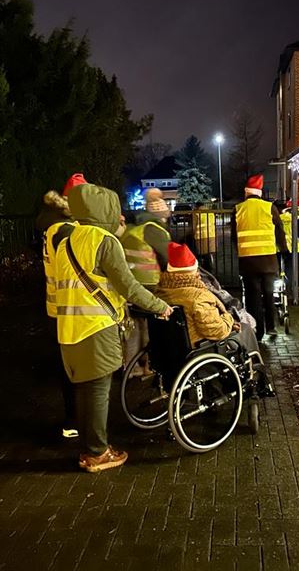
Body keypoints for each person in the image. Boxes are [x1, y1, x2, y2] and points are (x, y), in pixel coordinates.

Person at [51, 183, 172, 473]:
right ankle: (97, 453)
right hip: (96, 326)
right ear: (106, 209)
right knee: (98, 392)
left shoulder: (66, 239)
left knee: (84, 390)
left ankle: (90, 447)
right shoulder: (103, 240)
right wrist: (160, 306)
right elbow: (127, 285)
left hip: (68, 327)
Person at [156, 243, 274, 396]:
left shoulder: (161, 291)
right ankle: (254, 380)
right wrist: (229, 319)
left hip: (170, 348)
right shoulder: (197, 295)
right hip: (198, 348)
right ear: (193, 271)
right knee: (245, 330)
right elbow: (215, 331)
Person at [36, 172, 87, 439]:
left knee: (68, 368)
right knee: (74, 369)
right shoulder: (67, 230)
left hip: (57, 307)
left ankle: (74, 419)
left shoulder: (52, 226)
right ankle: (74, 420)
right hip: (71, 309)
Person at [120, 188, 172, 373]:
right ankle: (150, 364)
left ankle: (132, 368)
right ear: (160, 215)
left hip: (130, 285)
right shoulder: (156, 231)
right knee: (154, 325)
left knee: (135, 326)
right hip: (151, 284)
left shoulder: (133, 230)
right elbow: (168, 259)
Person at [233, 174, 287, 340]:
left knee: (252, 297)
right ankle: (272, 327)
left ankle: (258, 331)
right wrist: (283, 249)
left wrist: (240, 251)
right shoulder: (269, 207)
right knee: (269, 294)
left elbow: (234, 237)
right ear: (260, 192)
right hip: (268, 261)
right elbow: (279, 231)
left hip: (248, 262)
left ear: (246, 192)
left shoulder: (238, 209)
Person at [193, 202, 217, 273]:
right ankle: (212, 269)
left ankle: (205, 271)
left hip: (201, 236)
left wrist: (193, 234)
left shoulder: (196, 213)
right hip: (212, 235)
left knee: (203, 256)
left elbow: (194, 226)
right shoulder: (210, 212)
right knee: (210, 254)